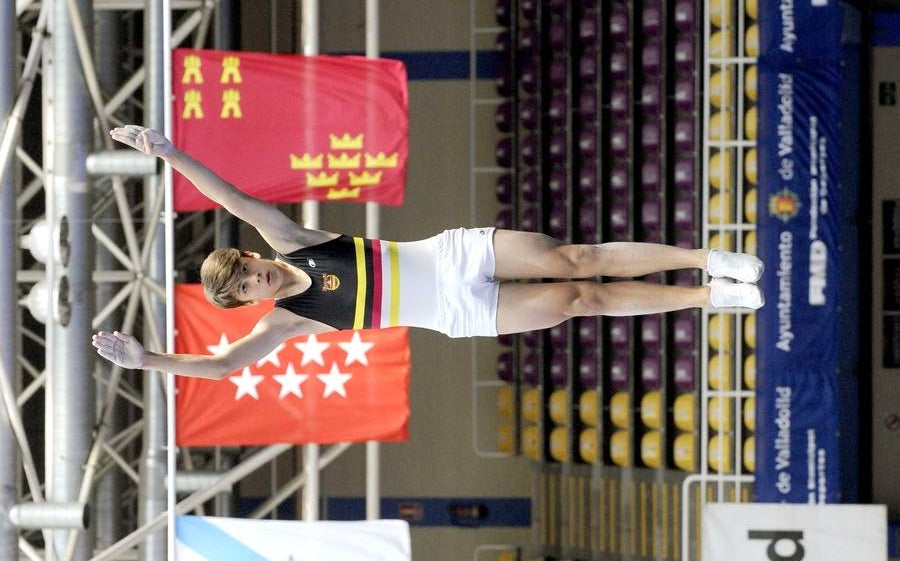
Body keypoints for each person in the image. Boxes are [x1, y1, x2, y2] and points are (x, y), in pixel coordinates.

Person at [92, 125, 764, 380]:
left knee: (576, 259)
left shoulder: (293, 242)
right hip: (454, 314)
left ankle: (707, 259)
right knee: (579, 301)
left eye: (246, 269)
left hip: (453, 259)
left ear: (250, 257)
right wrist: (147, 359)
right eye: (245, 289)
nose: (256, 279)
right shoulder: (287, 322)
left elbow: (234, 197)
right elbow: (220, 367)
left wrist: (170, 154)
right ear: (249, 302)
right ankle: (710, 297)